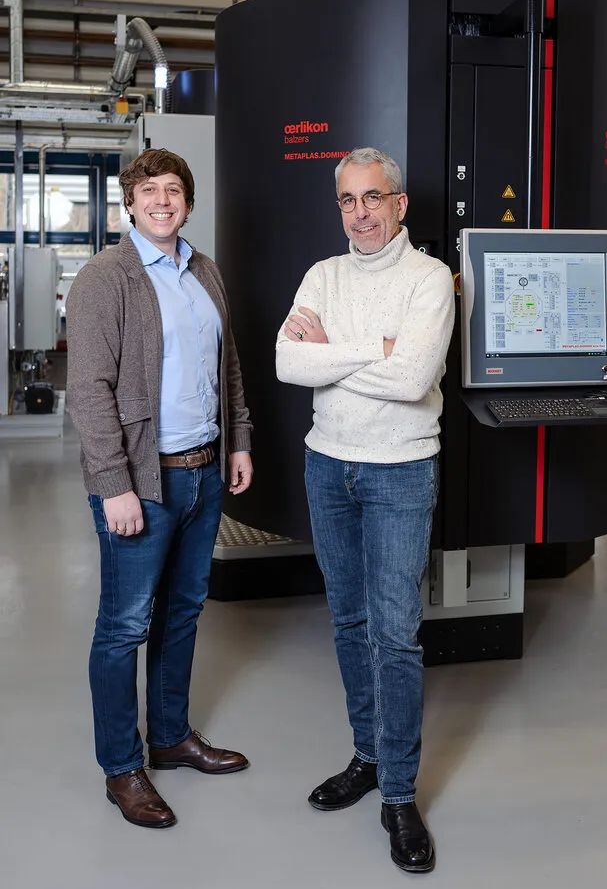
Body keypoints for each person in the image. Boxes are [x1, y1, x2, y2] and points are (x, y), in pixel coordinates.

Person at [276, 147, 455, 873]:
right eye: (348, 201)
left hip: (400, 471)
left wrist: (336, 352)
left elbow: (413, 379)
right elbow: (288, 362)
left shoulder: (430, 278)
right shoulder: (323, 275)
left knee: (395, 633)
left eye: (372, 198)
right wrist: (375, 349)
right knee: (349, 621)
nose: (360, 214)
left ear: (399, 204)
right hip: (328, 467)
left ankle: (400, 794)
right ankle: (367, 756)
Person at [67, 148, 253, 829]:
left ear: (188, 202)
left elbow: (228, 364)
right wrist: (114, 484)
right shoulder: (105, 277)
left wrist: (239, 439)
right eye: (149, 191)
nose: (163, 201)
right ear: (131, 203)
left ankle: (170, 738)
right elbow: (88, 390)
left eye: (174, 190)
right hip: (141, 482)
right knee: (124, 626)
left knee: (182, 613)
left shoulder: (204, 271)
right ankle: (122, 766)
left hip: (203, 471)